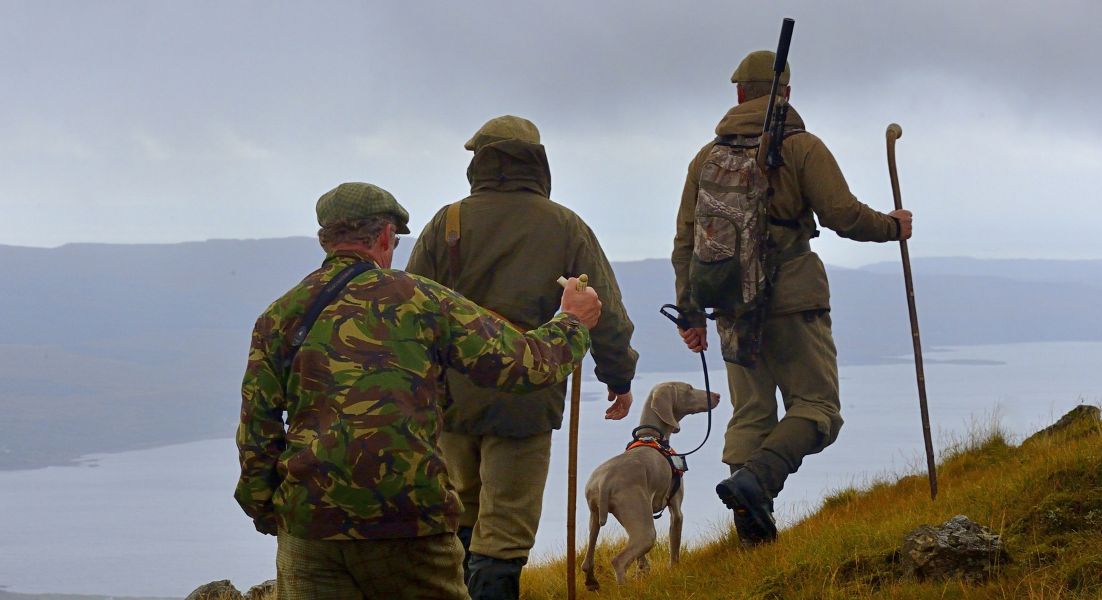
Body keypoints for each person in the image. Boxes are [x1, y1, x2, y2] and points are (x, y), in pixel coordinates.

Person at [235, 181, 602, 600]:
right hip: (409, 523)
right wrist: (572, 321)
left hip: (311, 523)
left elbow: (256, 433)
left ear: (326, 237)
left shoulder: (279, 316)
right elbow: (524, 365)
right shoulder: (421, 299)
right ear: (386, 236)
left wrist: (275, 513)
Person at [671, 51, 914, 546]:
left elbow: (685, 240)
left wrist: (690, 313)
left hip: (729, 302)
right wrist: (892, 227)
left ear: (738, 94)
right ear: (785, 94)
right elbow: (843, 215)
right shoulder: (803, 148)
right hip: (793, 299)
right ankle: (757, 483)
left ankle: (751, 532)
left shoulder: (706, 158)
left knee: (751, 413)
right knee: (818, 408)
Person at [406, 115, 639, 599]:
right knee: (506, 526)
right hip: (526, 394)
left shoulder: (447, 222)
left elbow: (409, 311)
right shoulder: (564, 226)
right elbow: (605, 311)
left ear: (481, 162)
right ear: (536, 161)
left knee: (460, 514)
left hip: (451, 400)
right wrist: (617, 375)